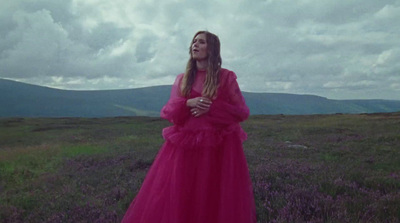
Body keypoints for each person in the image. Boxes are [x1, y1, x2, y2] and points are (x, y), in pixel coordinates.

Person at [122, 31, 256, 223]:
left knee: (212, 195)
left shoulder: (225, 78)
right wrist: (188, 103)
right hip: (185, 148)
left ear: (212, 48)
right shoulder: (183, 79)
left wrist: (212, 107)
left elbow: (241, 112)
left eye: (201, 42)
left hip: (217, 149)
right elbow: (170, 113)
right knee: (181, 194)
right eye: (194, 41)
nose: (195, 45)